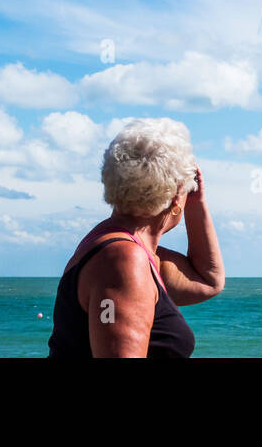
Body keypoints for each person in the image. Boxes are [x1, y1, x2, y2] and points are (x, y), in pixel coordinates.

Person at [47, 118, 224, 357]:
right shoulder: (124, 261)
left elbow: (207, 281)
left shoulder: (120, 247)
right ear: (174, 199)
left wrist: (195, 202)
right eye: (187, 191)